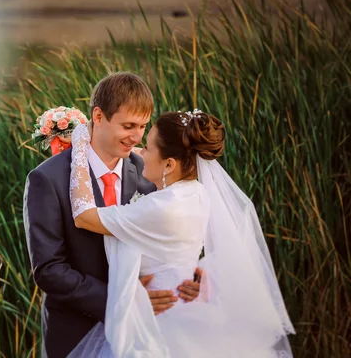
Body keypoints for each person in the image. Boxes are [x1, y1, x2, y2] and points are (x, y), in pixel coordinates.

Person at [67, 109, 295, 357]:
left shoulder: (161, 207)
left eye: (148, 147)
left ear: (169, 164)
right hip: (192, 315)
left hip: (161, 323)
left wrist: (80, 145)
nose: (141, 152)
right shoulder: (197, 193)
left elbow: (84, 217)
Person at [23, 72, 201, 358]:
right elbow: (49, 269)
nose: (137, 137)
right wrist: (122, 300)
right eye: (128, 125)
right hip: (76, 333)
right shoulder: (48, 179)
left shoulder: (149, 174)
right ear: (98, 116)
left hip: (145, 334)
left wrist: (188, 275)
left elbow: (162, 237)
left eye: (143, 126)